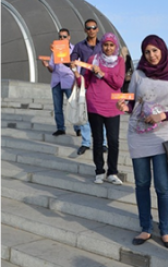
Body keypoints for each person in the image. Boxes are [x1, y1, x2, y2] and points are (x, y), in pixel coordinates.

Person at [117, 35, 168, 249]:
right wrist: (124, 107)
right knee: (141, 184)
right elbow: (132, 103)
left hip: (162, 138)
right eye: (147, 52)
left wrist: (162, 116)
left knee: (162, 186)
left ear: (163, 50)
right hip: (138, 135)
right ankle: (146, 228)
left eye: (155, 51)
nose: (152, 55)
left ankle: (165, 231)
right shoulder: (139, 75)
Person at [72, 32, 125, 185]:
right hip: (94, 104)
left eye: (111, 45)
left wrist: (102, 74)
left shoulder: (120, 61)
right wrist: (75, 72)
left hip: (113, 105)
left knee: (113, 141)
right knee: (98, 140)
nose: (108, 48)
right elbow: (85, 83)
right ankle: (99, 171)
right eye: (106, 45)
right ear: (102, 46)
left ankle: (113, 172)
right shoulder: (92, 59)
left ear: (115, 46)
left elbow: (119, 83)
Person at [70, 18, 107, 155]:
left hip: (100, 82)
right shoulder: (79, 46)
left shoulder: (103, 45)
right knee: (84, 112)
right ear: (85, 30)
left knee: (101, 112)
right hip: (86, 82)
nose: (91, 30)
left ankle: (103, 143)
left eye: (93, 27)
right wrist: (72, 64)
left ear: (97, 29)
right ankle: (86, 142)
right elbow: (72, 58)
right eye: (88, 28)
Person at [42, 28, 80, 136]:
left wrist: (76, 81)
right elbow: (52, 68)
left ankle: (78, 128)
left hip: (69, 81)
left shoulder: (74, 50)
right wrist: (47, 66)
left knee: (73, 106)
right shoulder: (55, 51)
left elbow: (78, 67)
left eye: (64, 36)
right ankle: (60, 128)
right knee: (57, 107)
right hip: (56, 82)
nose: (62, 38)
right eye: (60, 36)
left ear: (69, 37)